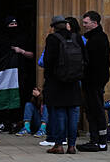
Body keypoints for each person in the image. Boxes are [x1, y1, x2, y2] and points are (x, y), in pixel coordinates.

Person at [42, 15, 85, 154]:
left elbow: (47, 61)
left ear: (53, 27)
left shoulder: (52, 38)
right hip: (74, 82)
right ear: (66, 25)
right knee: (73, 114)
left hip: (57, 82)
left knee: (60, 113)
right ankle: (72, 146)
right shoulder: (76, 37)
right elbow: (85, 59)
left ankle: (59, 145)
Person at [0, 16, 34, 133]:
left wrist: (20, 51)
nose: (14, 26)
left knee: (19, 96)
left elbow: (31, 55)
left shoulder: (24, 38)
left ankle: (16, 121)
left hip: (21, 74)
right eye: (11, 24)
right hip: (4, 75)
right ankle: (3, 121)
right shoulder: (1, 40)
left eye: (15, 24)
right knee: (3, 96)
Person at [77, 11, 110, 152]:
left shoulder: (98, 39)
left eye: (86, 23)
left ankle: (99, 141)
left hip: (94, 80)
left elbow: (92, 62)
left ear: (94, 23)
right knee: (92, 110)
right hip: (92, 80)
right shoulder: (92, 38)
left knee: (95, 110)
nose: (84, 25)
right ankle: (97, 140)